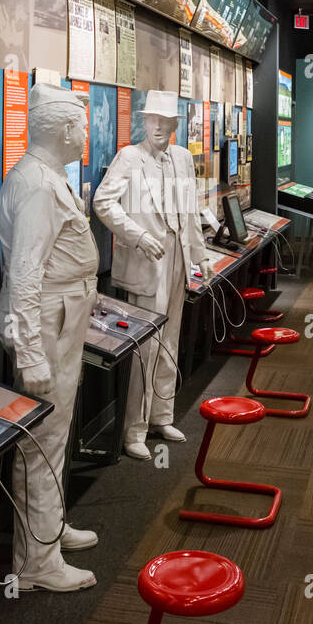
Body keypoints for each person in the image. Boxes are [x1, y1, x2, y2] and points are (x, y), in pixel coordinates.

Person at [0, 84, 99, 593]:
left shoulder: (46, 177)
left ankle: (49, 530)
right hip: (48, 321)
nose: (86, 134)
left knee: (55, 434)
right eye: (80, 125)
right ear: (63, 130)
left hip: (63, 316)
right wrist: (32, 353)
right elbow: (25, 274)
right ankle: (38, 560)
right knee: (43, 440)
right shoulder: (38, 184)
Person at [94, 89, 214, 460]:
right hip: (147, 263)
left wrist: (200, 254)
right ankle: (134, 429)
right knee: (145, 347)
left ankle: (162, 415)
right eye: (153, 120)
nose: (159, 127)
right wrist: (138, 235)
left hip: (176, 259)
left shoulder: (180, 157)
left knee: (170, 340)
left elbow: (190, 210)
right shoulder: (129, 158)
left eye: (166, 121)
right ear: (144, 122)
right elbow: (102, 202)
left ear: (176, 124)